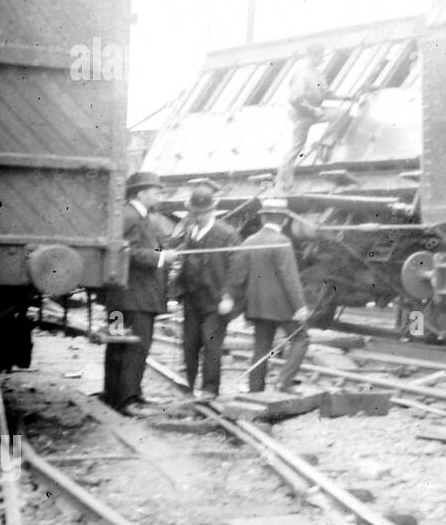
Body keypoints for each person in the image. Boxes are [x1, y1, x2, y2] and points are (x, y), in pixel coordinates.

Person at [220, 198, 310, 393]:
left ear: (262, 220)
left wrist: (230, 298)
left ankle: (255, 388)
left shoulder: (249, 242)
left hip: (257, 306)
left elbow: (238, 275)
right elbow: (290, 278)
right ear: (284, 221)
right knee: (301, 338)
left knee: (261, 347)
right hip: (282, 306)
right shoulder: (282, 242)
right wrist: (300, 306)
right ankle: (284, 382)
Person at [103, 170, 172, 414]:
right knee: (135, 347)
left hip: (120, 299)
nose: (159, 195)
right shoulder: (133, 216)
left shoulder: (130, 215)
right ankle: (128, 399)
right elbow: (126, 252)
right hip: (136, 300)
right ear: (140, 192)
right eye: (156, 191)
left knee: (117, 345)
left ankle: (114, 395)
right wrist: (161, 258)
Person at [170, 181, 240, 398]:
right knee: (189, 343)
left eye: (202, 213)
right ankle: (188, 385)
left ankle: (210, 389)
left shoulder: (227, 235)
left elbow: (236, 269)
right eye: (194, 213)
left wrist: (228, 296)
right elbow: (186, 263)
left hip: (215, 302)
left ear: (213, 211)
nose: (197, 217)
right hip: (192, 298)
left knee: (211, 345)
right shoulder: (191, 232)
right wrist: (175, 292)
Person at [276, 43, 340, 195]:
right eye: (320, 56)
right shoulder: (301, 74)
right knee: (297, 148)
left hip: (316, 110)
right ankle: (282, 181)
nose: (322, 60)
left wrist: (346, 97)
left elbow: (325, 92)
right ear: (312, 56)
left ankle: (324, 143)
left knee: (340, 115)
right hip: (302, 114)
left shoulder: (317, 74)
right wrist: (313, 111)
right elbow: (295, 99)